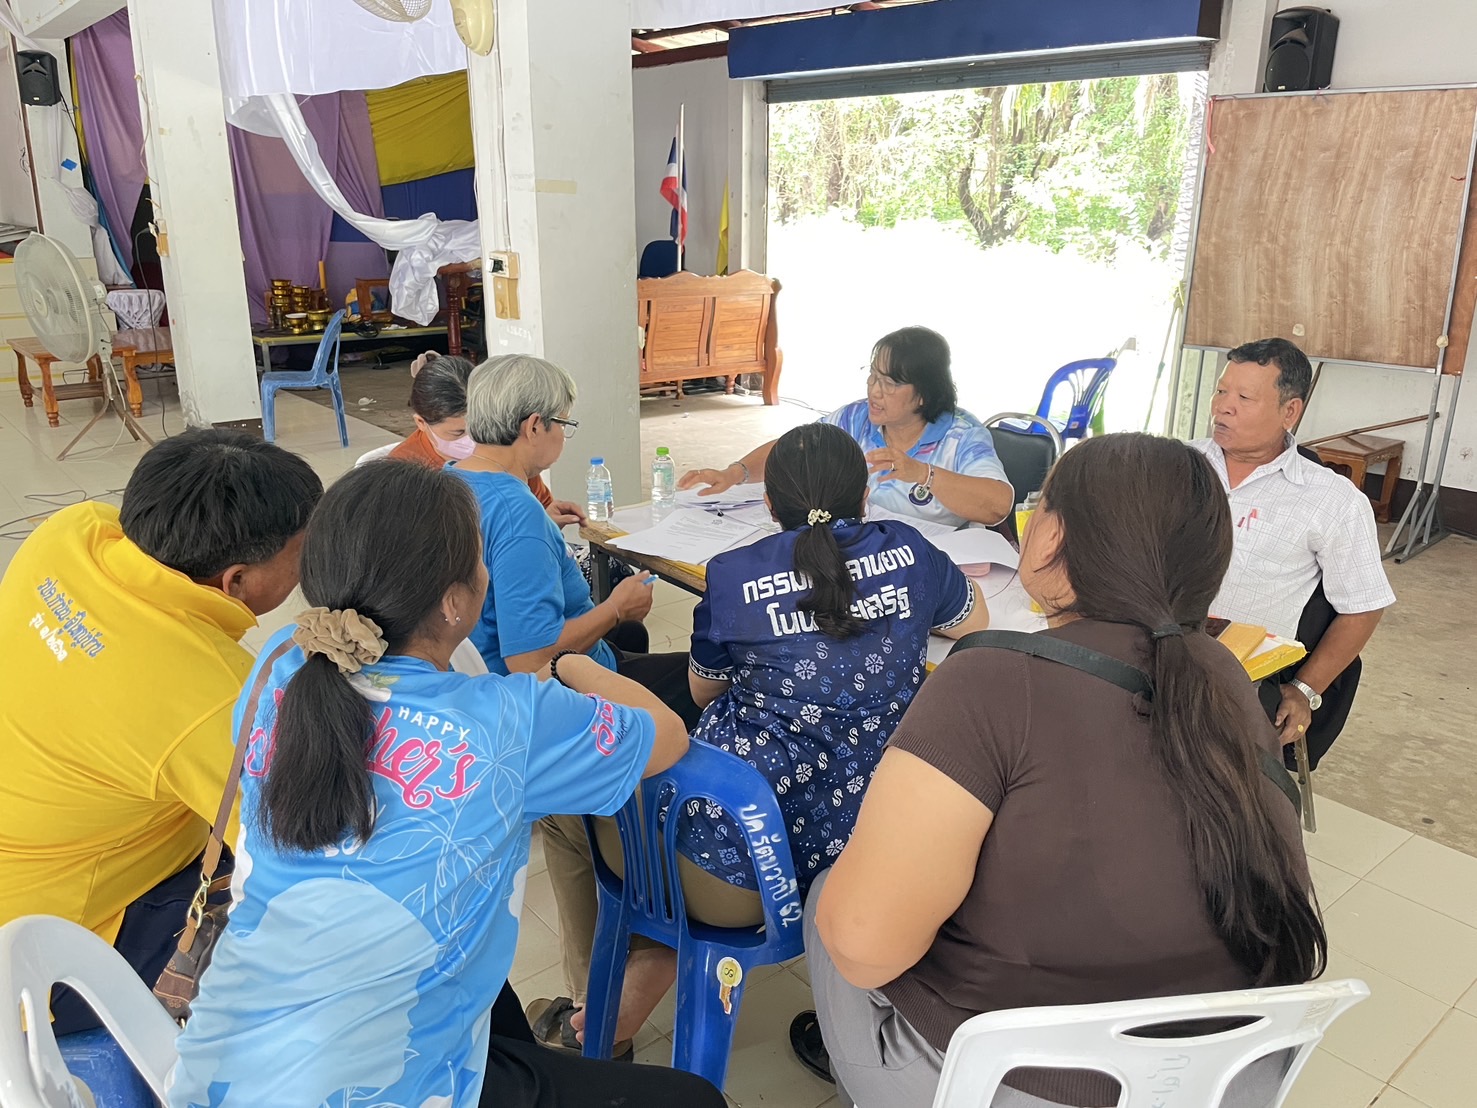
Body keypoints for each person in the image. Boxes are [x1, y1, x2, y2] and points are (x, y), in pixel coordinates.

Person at [168, 461, 723, 1108]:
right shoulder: (507, 721)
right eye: (479, 556)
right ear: (456, 600)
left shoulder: (283, 662)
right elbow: (665, 735)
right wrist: (570, 664)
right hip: (390, 1084)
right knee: (693, 1100)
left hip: (231, 1053)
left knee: (495, 1002)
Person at [806, 433, 1324, 1108]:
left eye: (1038, 505)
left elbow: (863, 949)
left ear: (1052, 538)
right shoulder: (1222, 673)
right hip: (1220, 1080)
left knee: (829, 898)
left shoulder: (991, 677)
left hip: (1017, 1086)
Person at [533, 421, 993, 1055]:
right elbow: (975, 621)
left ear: (770, 506)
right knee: (678, 805)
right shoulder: (910, 552)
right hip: (856, 844)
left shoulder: (733, 575)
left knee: (569, 812)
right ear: (865, 498)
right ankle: (640, 978)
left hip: (730, 855)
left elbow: (702, 694)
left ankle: (600, 1005)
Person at [0, 429, 323, 1034]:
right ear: (236, 582)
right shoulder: (211, 701)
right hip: (43, 953)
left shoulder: (70, 533)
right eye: (300, 555)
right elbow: (297, 852)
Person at [447, 355, 698, 725]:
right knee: (713, 679)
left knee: (630, 635)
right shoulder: (518, 516)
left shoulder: (451, 480)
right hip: (550, 696)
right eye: (563, 423)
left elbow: (493, 544)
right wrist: (615, 607)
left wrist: (538, 531)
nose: (564, 434)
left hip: (477, 677)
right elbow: (531, 662)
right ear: (534, 427)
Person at [1193, 337, 1395, 763]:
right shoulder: (1177, 465)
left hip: (1246, 675)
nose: (1222, 406)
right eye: (1221, 390)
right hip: (1159, 650)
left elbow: (1363, 606)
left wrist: (1305, 689)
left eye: (1244, 397)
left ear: (1290, 411)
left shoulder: (1332, 500)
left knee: (1211, 782)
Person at [678, 326, 1014, 529]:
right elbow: (796, 449)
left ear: (924, 394)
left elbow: (998, 506)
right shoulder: (856, 419)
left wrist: (922, 473)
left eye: (890, 383)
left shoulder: (961, 435)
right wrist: (734, 473)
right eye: (872, 375)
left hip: (937, 562)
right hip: (860, 554)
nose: (874, 390)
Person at [389, 351, 584, 526]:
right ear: (421, 423)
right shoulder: (402, 474)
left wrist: (543, 524)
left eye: (478, 425)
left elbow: (538, 507)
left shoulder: (510, 456)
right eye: (459, 433)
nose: (476, 439)